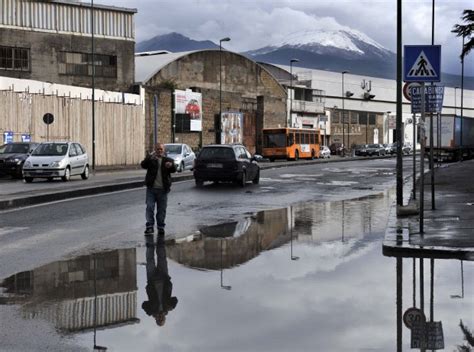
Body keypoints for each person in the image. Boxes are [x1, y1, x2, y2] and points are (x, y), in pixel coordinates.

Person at [142, 234, 178, 326]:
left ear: (156, 319)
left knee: (150, 260)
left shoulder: (152, 311)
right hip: (164, 277)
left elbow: (144, 304)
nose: (160, 317)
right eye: (162, 319)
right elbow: (175, 299)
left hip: (151, 279)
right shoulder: (167, 308)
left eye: (159, 319)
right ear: (165, 318)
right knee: (162, 257)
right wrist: (171, 307)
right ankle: (160, 237)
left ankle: (149, 240)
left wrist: (150, 312)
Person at [141, 143, 176, 235]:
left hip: (163, 190)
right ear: (155, 150)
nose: (159, 151)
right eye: (157, 149)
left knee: (161, 209)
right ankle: (149, 227)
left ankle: (161, 227)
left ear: (163, 150)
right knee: (150, 207)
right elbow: (143, 165)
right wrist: (149, 157)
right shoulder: (151, 160)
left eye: (161, 149)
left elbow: (174, 169)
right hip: (151, 189)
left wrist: (171, 165)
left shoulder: (167, 160)